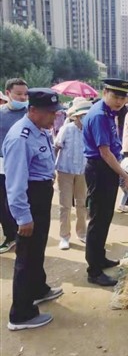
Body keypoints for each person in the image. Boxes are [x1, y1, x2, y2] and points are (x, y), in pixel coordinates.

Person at [2, 89, 64, 331]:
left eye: (55, 112)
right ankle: (21, 314)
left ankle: (38, 289)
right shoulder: (20, 137)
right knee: (26, 256)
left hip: (40, 194)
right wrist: (23, 217)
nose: (54, 118)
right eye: (50, 113)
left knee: (37, 249)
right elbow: (15, 183)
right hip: (29, 198)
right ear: (33, 110)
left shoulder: (39, 129)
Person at [83, 79, 128, 287]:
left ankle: (100, 257)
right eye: (115, 96)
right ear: (105, 92)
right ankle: (93, 270)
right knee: (98, 220)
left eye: (123, 97)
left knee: (105, 217)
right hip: (100, 170)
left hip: (107, 169)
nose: (119, 101)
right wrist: (125, 175)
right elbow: (104, 153)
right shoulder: (98, 115)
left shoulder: (108, 112)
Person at [55, 98, 92, 250]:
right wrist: (52, 169)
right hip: (65, 170)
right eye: (82, 115)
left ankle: (82, 233)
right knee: (65, 205)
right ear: (76, 116)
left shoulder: (90, 130)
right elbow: (57, 146)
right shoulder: (67, 129)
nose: (84, 118)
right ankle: (64, 236)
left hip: (82, 171)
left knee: (81, 204)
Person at [0, 78, 29, 254]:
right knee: (3, 204)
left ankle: (23, 238)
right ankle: (10, 237)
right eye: (18, 94)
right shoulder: (1, 114)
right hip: (2, 165)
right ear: (8, 93)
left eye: (25, 94)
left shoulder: (30, 113)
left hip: (23, 165)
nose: (22, 97)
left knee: (19, 202)